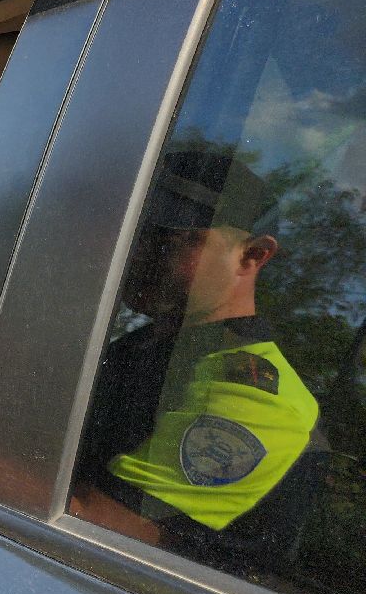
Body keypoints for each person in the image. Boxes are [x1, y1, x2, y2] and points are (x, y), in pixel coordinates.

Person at [72, 148, 323, 568]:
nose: (137, 253)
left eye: (168, 240)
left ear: (253, 255)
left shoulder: (258, 399)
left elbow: (95, 522)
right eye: (137, 233)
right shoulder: (151, 345)